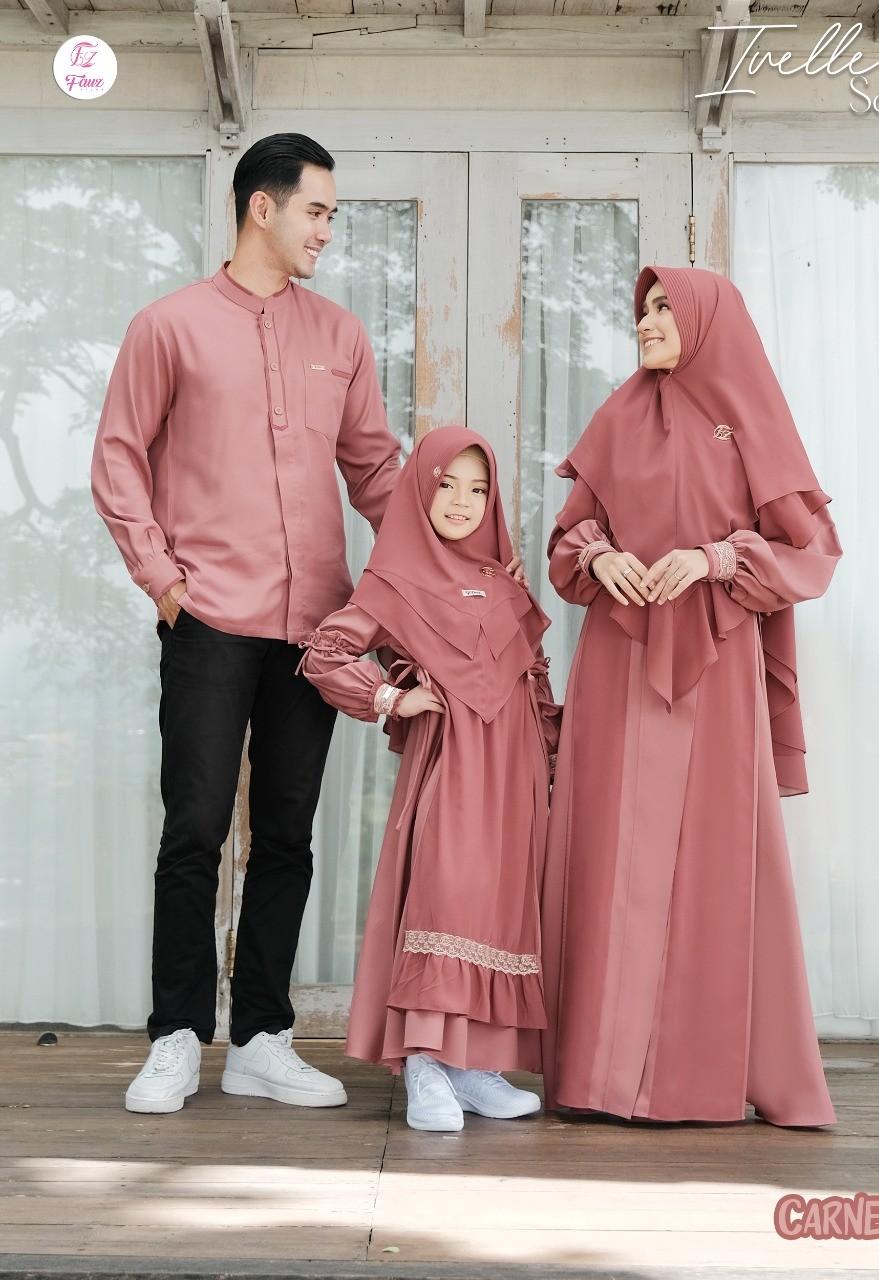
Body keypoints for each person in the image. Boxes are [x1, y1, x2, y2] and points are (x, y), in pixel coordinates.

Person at [91, 132, 406, 1114]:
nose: (327, 231)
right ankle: (177, 1036)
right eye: (317, 211)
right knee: (193, 830)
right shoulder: (169, 327)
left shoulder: (341, 337)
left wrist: (437, 567)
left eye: (332, 216)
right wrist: (162, 579)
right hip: (210, 618)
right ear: (261, 208)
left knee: (287, 834)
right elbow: (117, 456)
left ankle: (263, 1036)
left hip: (315, 626)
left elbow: (375, 470)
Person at [541, 266, 841, 1127]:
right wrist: (599, 556)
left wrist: (714, 558)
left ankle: (690, 1076)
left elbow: (814, 551)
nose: (647, 322)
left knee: (711, 860)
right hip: (618, 661)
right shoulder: (620, 415)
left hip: (714, 666)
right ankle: (597, 1077)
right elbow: (567, 542)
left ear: (708, 321)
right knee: (611, 855)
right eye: (642, 310)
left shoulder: (750, 419)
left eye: (665, 309)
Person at [299, 426, 560, 1132]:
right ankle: (423, 1063)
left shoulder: (505, 586)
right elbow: (326, 652)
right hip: (452, 770)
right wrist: (390, 697)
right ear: (420, 487)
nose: (462, 501)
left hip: (514, 779)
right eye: (446, 484)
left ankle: (472, 1067)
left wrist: (556, 762)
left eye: (479, 489)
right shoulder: (394, 581)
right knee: (446, 900)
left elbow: (535, 682)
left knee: (501, 910)